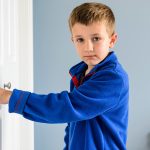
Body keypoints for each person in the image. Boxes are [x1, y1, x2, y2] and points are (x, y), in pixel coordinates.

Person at [0, 2, 129, 150]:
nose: (88, 47)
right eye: (80, 39)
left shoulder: (113, 79)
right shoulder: (81, 74)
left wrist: (11, 97)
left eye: (96, 38)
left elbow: (67, 107)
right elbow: (72, 122)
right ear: (73, 40)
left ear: (112, 40)